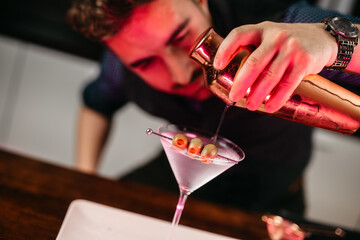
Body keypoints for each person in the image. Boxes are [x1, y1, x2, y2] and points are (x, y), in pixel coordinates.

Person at [67, 0, 360, 215]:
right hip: (177, 183)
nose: (182, 74)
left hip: (273, 197)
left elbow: (341, 37)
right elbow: (97, 103)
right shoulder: (121, 64)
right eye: (146, 63)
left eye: (181, 36)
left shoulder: (278, 18)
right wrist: (86, 179)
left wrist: (331, 40)